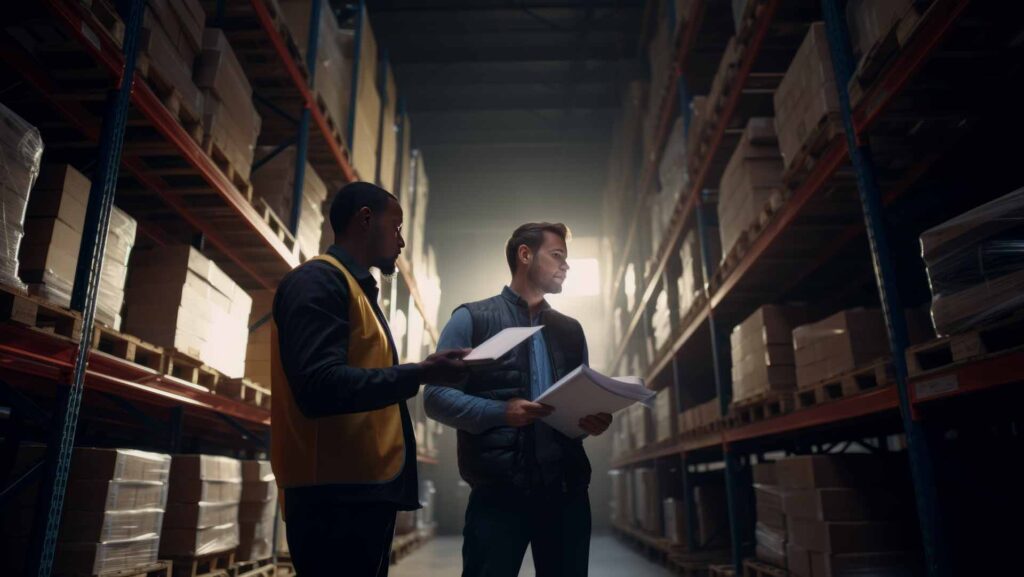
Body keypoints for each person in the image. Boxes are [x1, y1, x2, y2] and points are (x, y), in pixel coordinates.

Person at [270, 181, 469, 577]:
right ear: (365, 220)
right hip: (332, 498)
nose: (401, 242)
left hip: (357, 491)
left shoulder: (353, 290)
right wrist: (421, 373)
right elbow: (319, 387)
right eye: (396, 228)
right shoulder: (318, 282)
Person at [424, 222, 613, 577]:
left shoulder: (571, 331)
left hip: (566, 494)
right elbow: (435, 397)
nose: (566, 265)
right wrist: (501, 412)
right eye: (557, 255)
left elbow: (582, 402)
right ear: (525, 255)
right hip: (498, 495)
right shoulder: (472, 318)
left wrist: (593, 419)